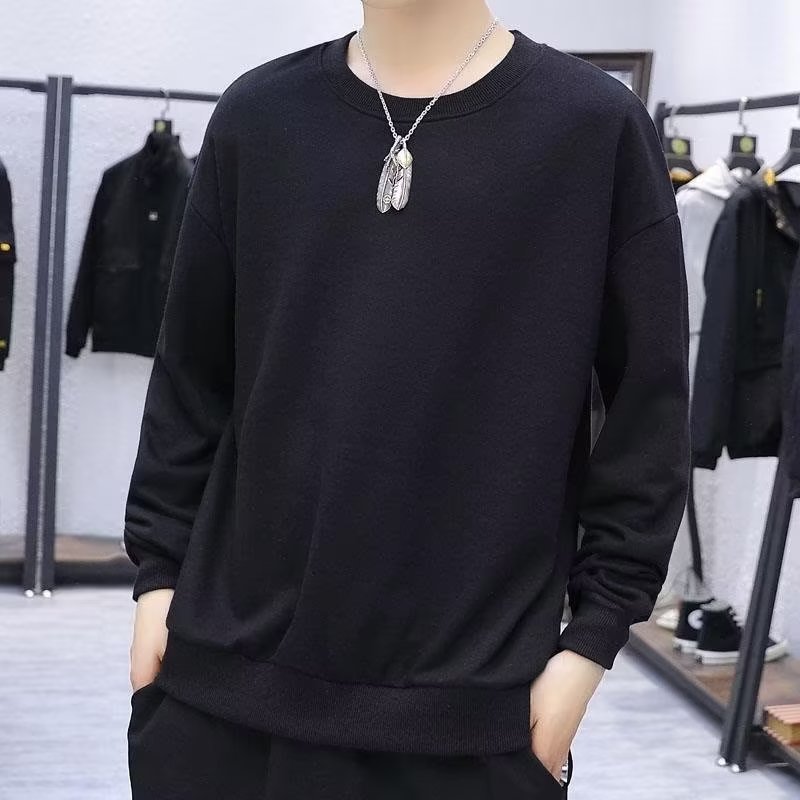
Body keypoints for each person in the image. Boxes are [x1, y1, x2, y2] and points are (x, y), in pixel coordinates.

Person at [124, 1, 690, 797]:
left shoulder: (593, 127)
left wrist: (590, 643)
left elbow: (648, 409)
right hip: (222, 685)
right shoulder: (259, 115)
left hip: (472, 710)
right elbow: (191, 372)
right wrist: (158, 577)